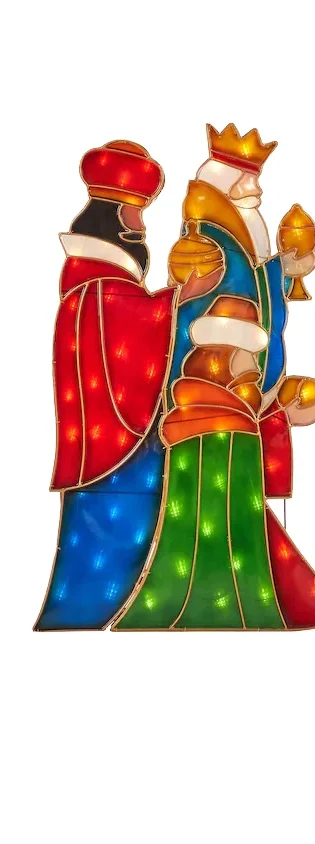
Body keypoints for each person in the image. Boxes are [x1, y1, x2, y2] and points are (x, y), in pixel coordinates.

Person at [36, 141, 217, 630]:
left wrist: (172, 299)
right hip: (115, 450)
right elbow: (132, 327)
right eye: (136, 214)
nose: (143, 226)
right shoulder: (97, 285)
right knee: (113, 541)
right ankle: (93, 611)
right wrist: (180, 297)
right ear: (114, 219)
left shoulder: (98, 283)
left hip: (115, 443)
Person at [115, 296, 315, 629]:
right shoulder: (221, 422)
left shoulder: (220, 416)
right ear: (225, 356)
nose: (256, 367)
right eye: (249, 355)